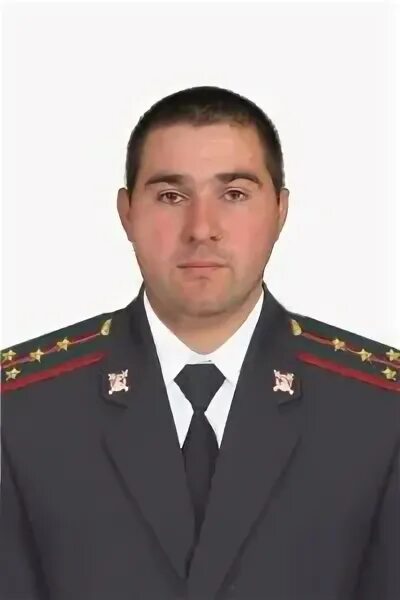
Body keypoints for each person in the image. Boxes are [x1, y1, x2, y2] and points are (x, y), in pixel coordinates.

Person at [1, 85, 399, 600]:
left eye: (234, 194)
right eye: (171, 196)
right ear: (127, 212)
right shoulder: (24, 411)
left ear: (280, 210)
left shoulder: (378, 412)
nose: (201, 229)